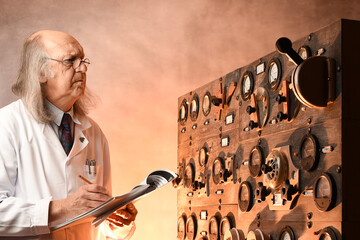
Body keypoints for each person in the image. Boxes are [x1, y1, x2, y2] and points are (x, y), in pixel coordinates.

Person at [0, 30, 137, 239]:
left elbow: (97, 229)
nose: (82, 68)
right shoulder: (7, 124)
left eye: (83, 60)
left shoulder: (95, 134)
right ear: (40, 72)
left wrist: (114, 221)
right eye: (70, 61)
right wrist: (63, 209)